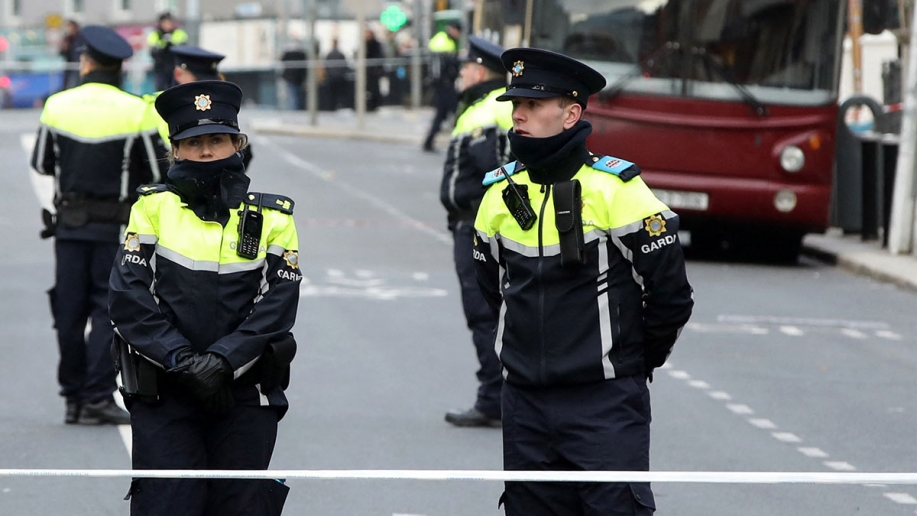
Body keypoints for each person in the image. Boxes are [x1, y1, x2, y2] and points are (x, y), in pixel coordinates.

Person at [473, 47, 694, 515]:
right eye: (516, 105)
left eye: (533, 105)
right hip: (525, 405)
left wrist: (628, 363)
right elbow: (492, 293)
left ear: (572, 113)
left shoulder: (616, 190)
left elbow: (671, 295)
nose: (519, 114)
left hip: (604, 405)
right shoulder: (497, 195)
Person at [109, 80, 300, 515]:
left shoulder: (272, 217)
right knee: (167, 505)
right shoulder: (150, 210)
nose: (208, 151)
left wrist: (223, 363)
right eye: (194, 143)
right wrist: (184, 363)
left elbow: (278, 305)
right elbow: (128, 298)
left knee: (243, 506)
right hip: (166, 395)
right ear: (175, 150)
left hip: (246, 395)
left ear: (237, 143)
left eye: (217, 140)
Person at [30, 25, 165, 425]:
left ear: (87, 63)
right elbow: (155, 170)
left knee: (67, 312)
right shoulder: (137, 110)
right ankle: (96, 395)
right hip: (114, 230)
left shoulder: (57, 105)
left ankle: (72, 396)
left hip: (69, 227)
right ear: (119, 67)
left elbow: (41, 162)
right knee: (109, 312)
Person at [440, 36, 513, 428]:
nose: (461, 74)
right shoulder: (489, 107)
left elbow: (500, 176)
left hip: (477, 228)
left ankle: (494, 399)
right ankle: (499, 395)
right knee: (490, 314)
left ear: (480, 71)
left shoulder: (487, 111)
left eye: (465, 67)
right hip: (475, 225)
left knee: (483, 314)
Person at [422, 20, 462, 152]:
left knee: (442, 114)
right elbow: (448, 66)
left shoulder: (444, 40)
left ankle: (429, 141)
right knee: (455, 112)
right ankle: (461, 143)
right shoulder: (444, 42)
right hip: (444, 84)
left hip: (443, 84)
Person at [147, 12, 189, 91]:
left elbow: (183, 49)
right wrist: (163, 44)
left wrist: (171, 44)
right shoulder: (155, 34)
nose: (167, 25)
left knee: (176, 90)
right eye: (165, 22)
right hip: (160, 68)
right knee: (160, 90)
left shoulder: (179, 33)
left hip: (176, 68)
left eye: (169, 22)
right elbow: (153, 51)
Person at [280, 39, 307, 111]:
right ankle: (296, 109)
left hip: (291, 78)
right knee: (297, 95)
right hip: (298, 78)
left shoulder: (288, 53)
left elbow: (282, 60)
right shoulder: (301, 54)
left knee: (293, 95)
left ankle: (294, 110)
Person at [323, 38, 350, 110]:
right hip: (339, 77)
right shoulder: (340, 54)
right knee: (339, 94)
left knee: (332, 94)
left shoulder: (330, 54)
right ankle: (339, 106)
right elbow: (345, 65)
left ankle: (332, 107)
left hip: (332, 77)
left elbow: (326, 66)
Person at [364, 27, 385, 111]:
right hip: (367, 72)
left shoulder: (376, 45)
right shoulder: (364, 44)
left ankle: (375, 104)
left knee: (374, 89)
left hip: (374, 72)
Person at [58, 20, 83, 91]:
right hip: (69, 68)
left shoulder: (80, 39)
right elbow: (62, 53)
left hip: (78, 67)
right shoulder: (67, 39)